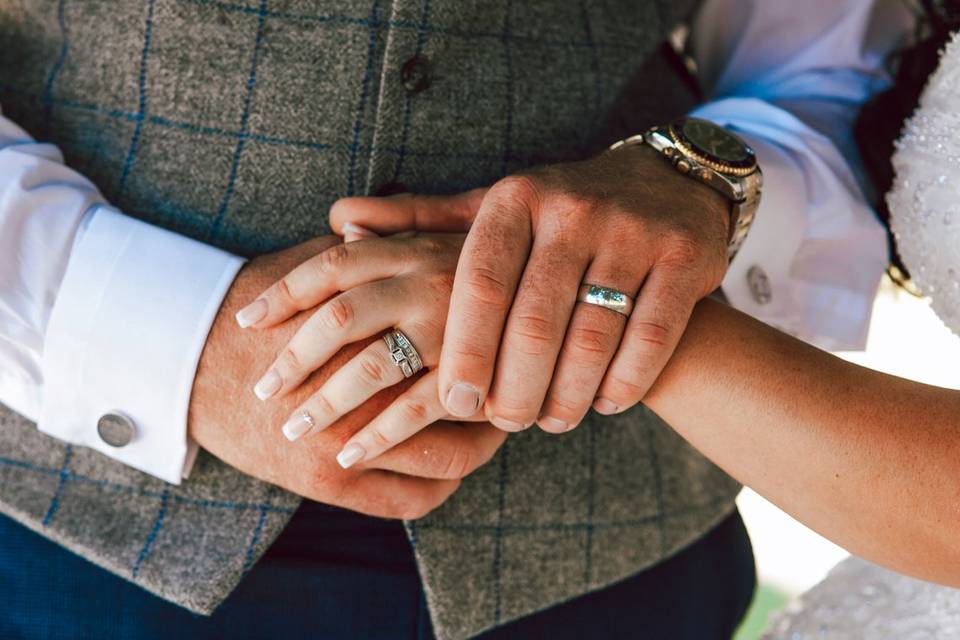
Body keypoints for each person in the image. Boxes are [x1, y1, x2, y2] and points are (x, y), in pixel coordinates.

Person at [0, 1, 910, 638]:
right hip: (66, 536)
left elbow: (826, 73)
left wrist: (698, 188)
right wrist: (167, 340)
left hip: (624, 550)